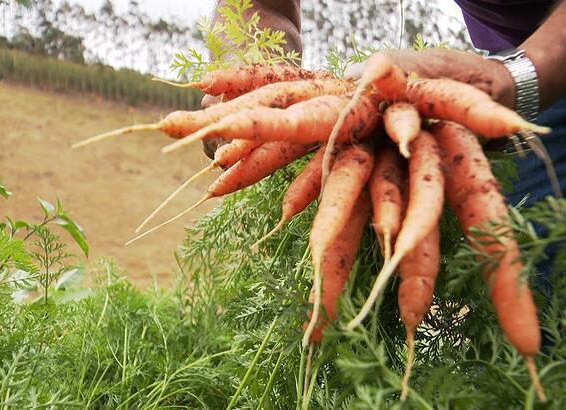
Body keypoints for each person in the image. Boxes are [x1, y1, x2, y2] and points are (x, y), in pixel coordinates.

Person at [203, 0, 566, 278]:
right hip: (515, 50)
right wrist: (253, 73)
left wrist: (518, 77)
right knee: (529, 280)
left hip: (540, 54)